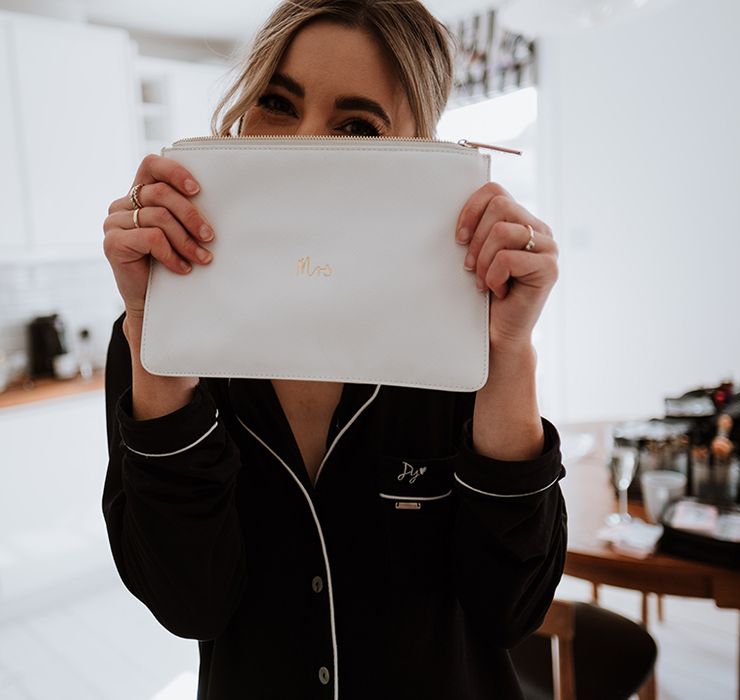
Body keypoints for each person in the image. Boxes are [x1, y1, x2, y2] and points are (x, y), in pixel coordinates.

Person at [101, 1, 566, 698]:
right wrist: (157, 345)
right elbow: (188, 602)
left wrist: (510, 358)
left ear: (419, 155)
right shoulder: (160, 336)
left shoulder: (463, 337)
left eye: (356, 126)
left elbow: (508, 609)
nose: (303, 144)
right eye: (278, 104)